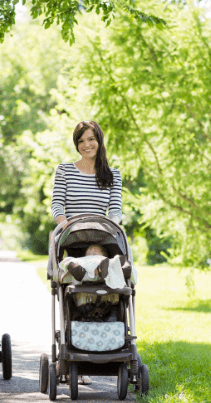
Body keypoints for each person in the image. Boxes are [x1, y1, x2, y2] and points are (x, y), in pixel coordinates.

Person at [51, 120, 123, 385]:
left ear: (99, 140)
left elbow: (115, 210)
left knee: (96, 250)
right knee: (76, 253)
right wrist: (65, 224)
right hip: (71, 233)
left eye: (91, 139)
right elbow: (57, 205)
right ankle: (78, 265)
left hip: (99, 234)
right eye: (81, 141)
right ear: (76, 144)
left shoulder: (112, 174)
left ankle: (95, 266)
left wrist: (113, 226)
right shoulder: (65, 171)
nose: (86, 145)